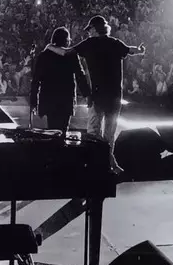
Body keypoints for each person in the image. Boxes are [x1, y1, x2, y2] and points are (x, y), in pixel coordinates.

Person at [46, 15, 145, 172]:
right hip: (115, 96)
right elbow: (130, 50)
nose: (88, 32)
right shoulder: (115, 43)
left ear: (95, 29)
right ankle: (109, 163)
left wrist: (50, 47)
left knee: (93, 132)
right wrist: (140, 50)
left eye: (90, 29)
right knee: (109, 133)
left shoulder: (90, 43)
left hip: (98, 96)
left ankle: (98, 164)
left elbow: (66, 52)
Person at [30, 27, 91, 135]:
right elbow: (80, 76)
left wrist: (33, 101)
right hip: (66, 99)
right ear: (66, 40)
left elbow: (36, 80)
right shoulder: (71, 55)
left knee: (52, 130)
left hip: (49, 99)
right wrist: (87, 95)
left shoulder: (44, 55)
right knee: (63, 130)